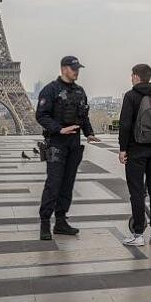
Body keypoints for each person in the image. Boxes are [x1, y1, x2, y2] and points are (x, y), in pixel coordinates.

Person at [36, 55, 99, 241]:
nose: (77, 71)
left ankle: (61, 221)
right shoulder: (50, 90)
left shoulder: (80, 91)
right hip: (56, 143)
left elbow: (84, 115)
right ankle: (45, 222)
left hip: (73, 145)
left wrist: (89, 133)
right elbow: (41, 115)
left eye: (78, 68)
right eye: (74, 68)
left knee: (68, 184)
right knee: (53, 184)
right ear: (64, 69)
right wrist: (60, 129)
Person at [118, 63, 151, 246]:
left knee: (137, 192)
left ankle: (138, 234)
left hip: (136, 151)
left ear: (137, 77)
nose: (131, 78)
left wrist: (123, 149)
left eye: (132, 75)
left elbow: (124, 125)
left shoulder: (131, 96)